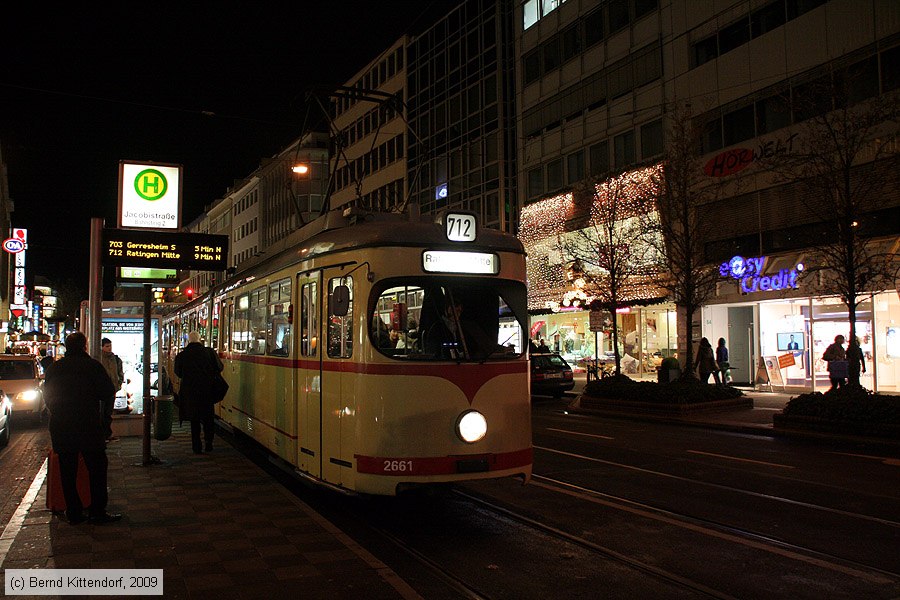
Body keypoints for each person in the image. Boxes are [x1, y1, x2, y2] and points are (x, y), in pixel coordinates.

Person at [44, 331, 121, 525]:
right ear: (84, 346)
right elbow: (108, 392)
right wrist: (104, 421)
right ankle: (97, 511)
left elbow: (47, 396)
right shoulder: (92, 366)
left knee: (67, 470)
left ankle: (74, 511)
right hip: (88, 425)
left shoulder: (54, 368)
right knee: (97, 468)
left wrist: (58, 411)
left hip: (62, 426)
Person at [174, 331, 223, 454]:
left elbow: (178, 372)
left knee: (194, 420)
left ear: (189, 341)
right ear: (200, 339)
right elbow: (219, 367)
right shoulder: (209, 352)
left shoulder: (182, 355)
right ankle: (209, 443)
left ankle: (196, 447)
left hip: (190, 392)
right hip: (207, 390)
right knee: (208, 418)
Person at [99, 338, 124, 439]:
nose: (109, 348)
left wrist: (118, 383)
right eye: (107, 346)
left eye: (110, 346)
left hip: (112, 390)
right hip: (101, 390)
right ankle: (102, 435)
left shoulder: (116, 359)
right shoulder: (98, 358)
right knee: (101, 413)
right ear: (101, 347)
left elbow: (120, 373)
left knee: (108, 413)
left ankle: (107, 434)